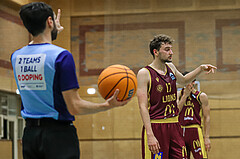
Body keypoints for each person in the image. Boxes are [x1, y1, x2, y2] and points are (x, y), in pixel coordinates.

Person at [11, 2, 130, 159]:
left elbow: (41, 56)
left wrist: (52, 32)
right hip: (58, 136)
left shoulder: (16, 57)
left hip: (30, 136)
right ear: (49, 22)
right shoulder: (62, 56)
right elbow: (75, 107)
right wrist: (107, 105)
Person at [137, 34, 216, 159]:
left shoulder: (171, 67)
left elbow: (184, 80)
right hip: (157, 125)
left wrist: (201, 68)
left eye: (171, 49)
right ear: (156, 52)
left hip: (174, 124)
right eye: (167, 49)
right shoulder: (144, 73)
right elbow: (142, 106)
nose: (171, 52)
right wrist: (150, 134)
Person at [177, 72, 211, 159]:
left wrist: (206, 137)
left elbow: (207, 117)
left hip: (195, 130)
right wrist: (185, 96)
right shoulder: (178, 95)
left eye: (190, 81)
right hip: (180, 130)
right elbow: (176, 112)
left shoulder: (201, 96)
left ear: (193, 82)